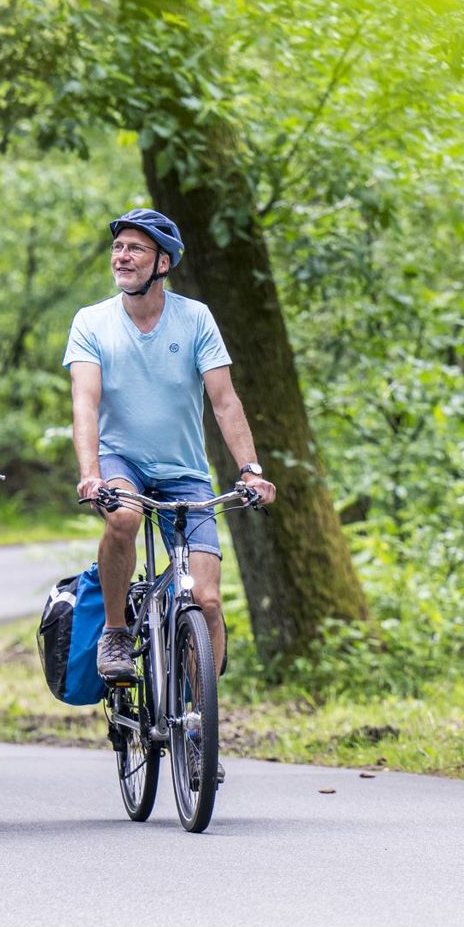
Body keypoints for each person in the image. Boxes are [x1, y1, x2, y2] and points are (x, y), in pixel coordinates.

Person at [67, 208, 277, 682]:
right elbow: (86, 401)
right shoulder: (92, 322)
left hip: (185, 470)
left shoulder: (195, 318)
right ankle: (117, 630)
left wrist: (251, 469)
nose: (122, 256)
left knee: (207, 600)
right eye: (118, 247)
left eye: (135, 248)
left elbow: (224, 402)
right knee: (124, 515)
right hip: (120, 459)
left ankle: (201, 727)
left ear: (163, 263)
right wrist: (90, 473)